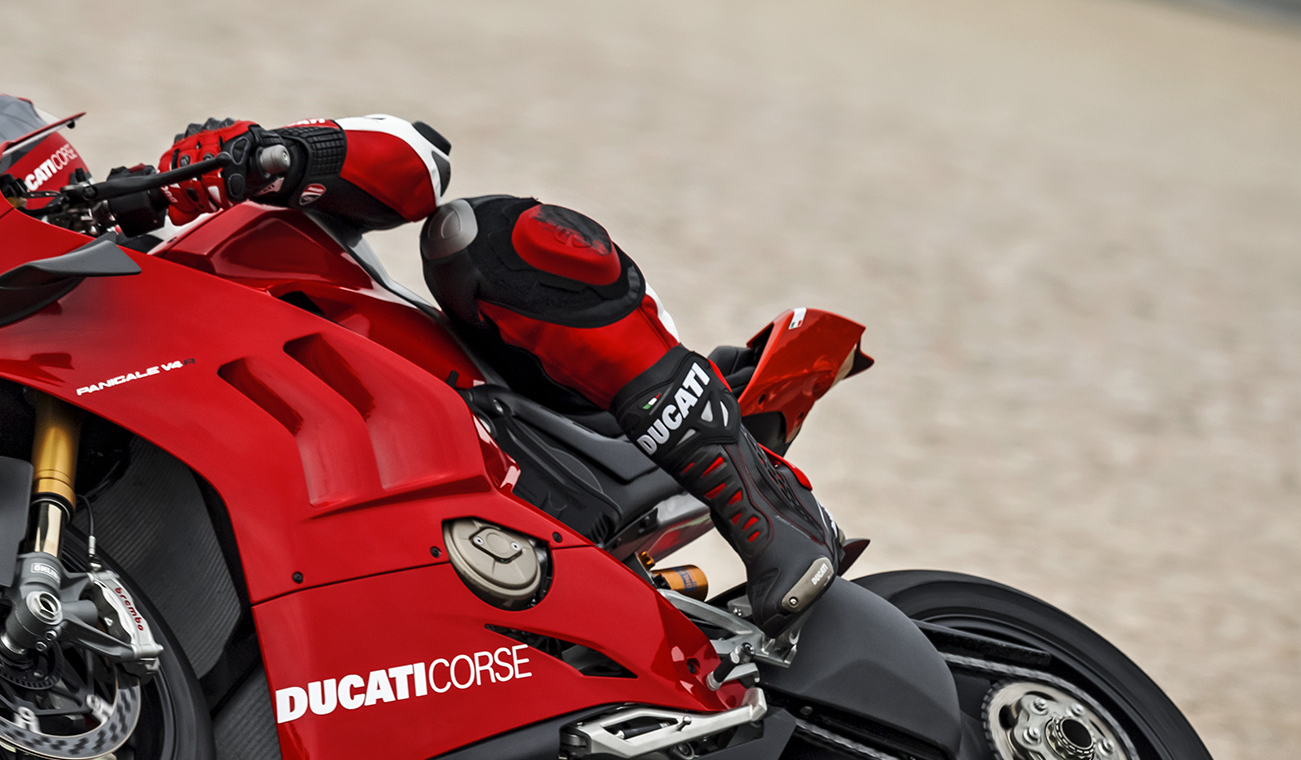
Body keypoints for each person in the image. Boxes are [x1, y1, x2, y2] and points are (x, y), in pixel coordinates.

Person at [140, 115, 843, 638]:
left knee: (481, 234)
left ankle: (768, 510)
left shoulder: (172, 245)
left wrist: (275, 154)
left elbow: (419, 156)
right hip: (357, 578)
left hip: (523, 416)